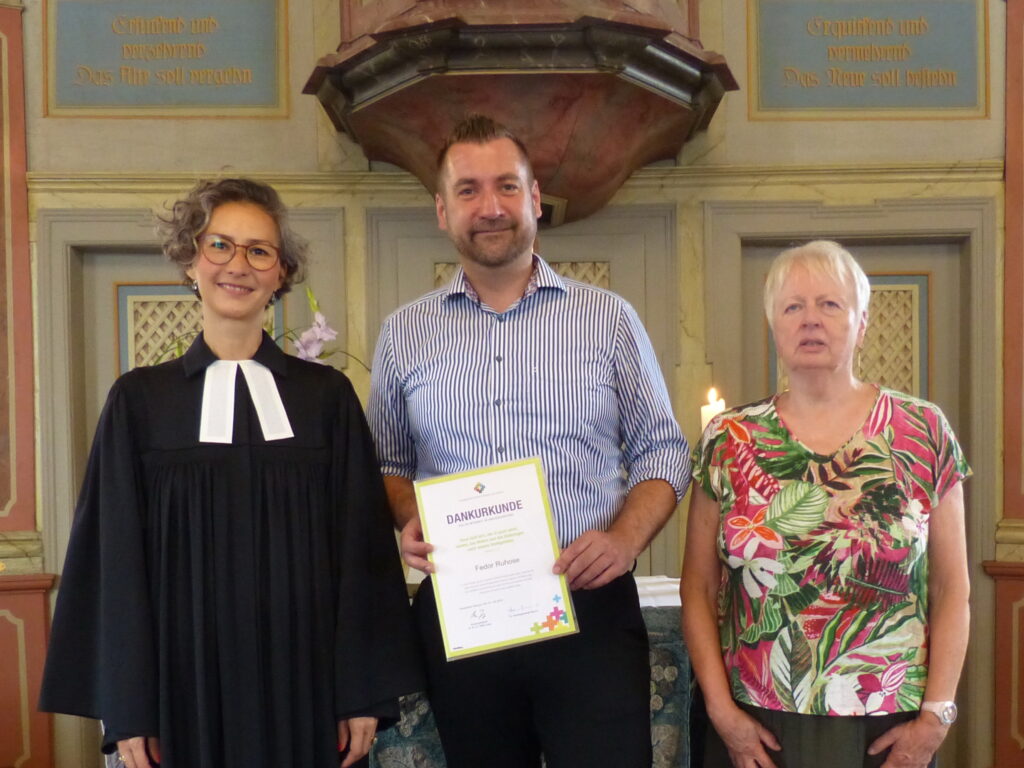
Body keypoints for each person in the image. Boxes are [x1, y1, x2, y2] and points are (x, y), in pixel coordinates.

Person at [39, 178, 421, 768]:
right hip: (181, 691)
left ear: (280, 273)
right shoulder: (139, 403)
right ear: (191, 259)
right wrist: (130, 706)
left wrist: (363, 690)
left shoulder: (326, 399)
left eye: (259, 251)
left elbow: (362, 552)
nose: (237, 265)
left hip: (309, 688)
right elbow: (114, 560)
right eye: (220, 245)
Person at [366, 114, 691, 768]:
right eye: (468, 190)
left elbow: (665, 451)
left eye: (507, 187)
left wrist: (625, 541)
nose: (490, 208)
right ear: (441, 209)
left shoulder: (608, 319)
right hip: (467, 615)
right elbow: (388, 463)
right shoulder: (405, 335)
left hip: (589, 607)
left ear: (535, 198)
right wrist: (408, 516)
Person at [681, 240, 970, 768]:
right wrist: (723, 715)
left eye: (830, 304)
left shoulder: (924, 431)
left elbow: (953, 587)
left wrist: (935, 719)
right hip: (757, 721)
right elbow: (697, 587)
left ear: (862, 324)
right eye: (793, 306)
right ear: (774, 325)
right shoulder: (729, 439)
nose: (810, 320)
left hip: (888, 722)